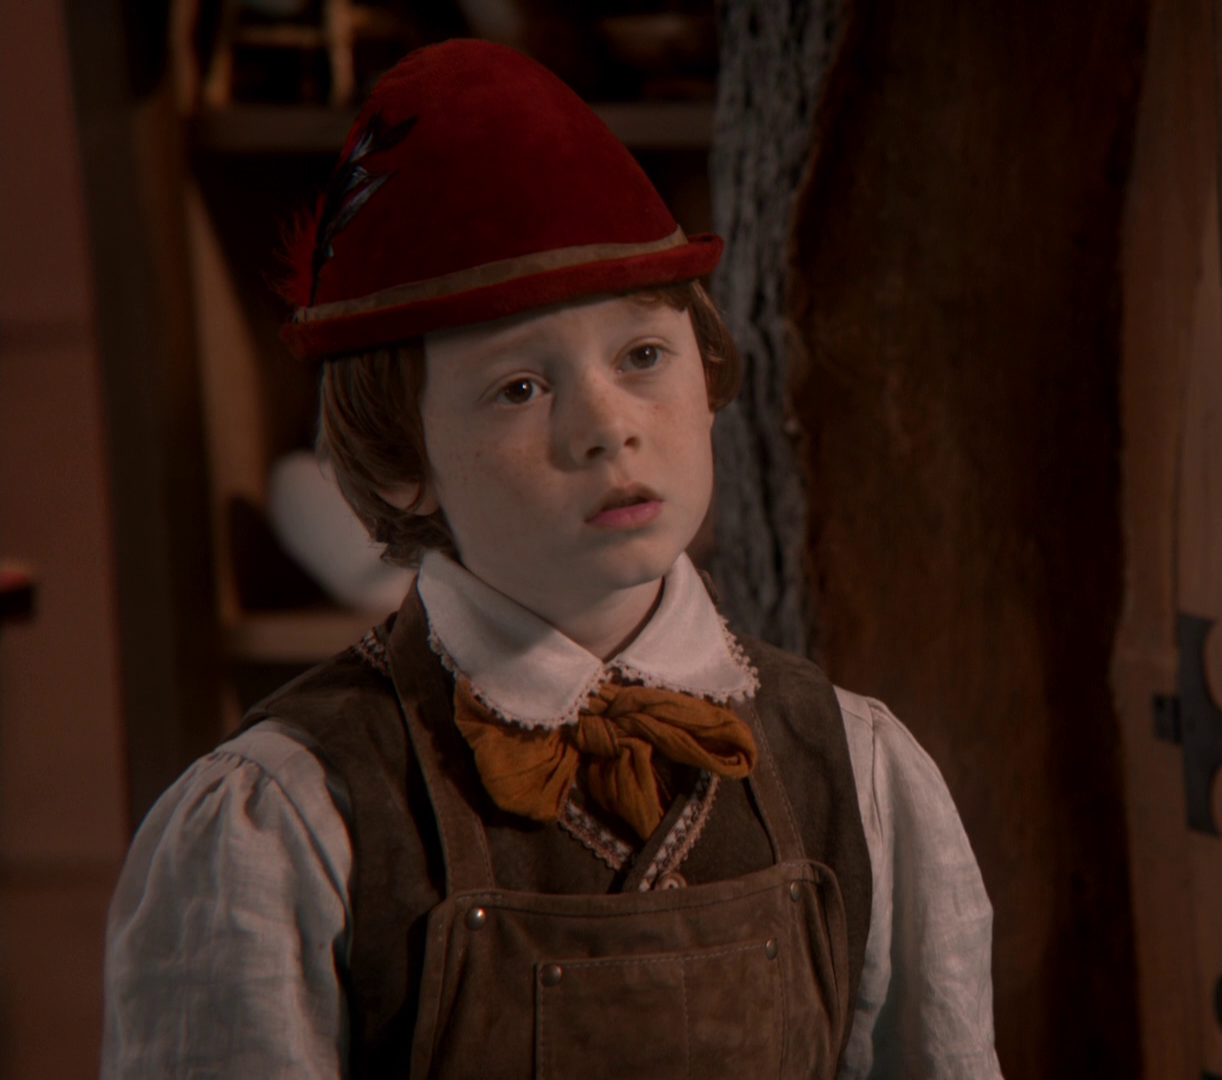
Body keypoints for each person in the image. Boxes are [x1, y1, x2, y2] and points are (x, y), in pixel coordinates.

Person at [100, 40, 1000, 1079]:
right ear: (400, 462)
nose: (607, 428)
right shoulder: (289, 816)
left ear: (707, 378)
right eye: (519, 389)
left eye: (643, 356)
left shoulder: (858, 769)